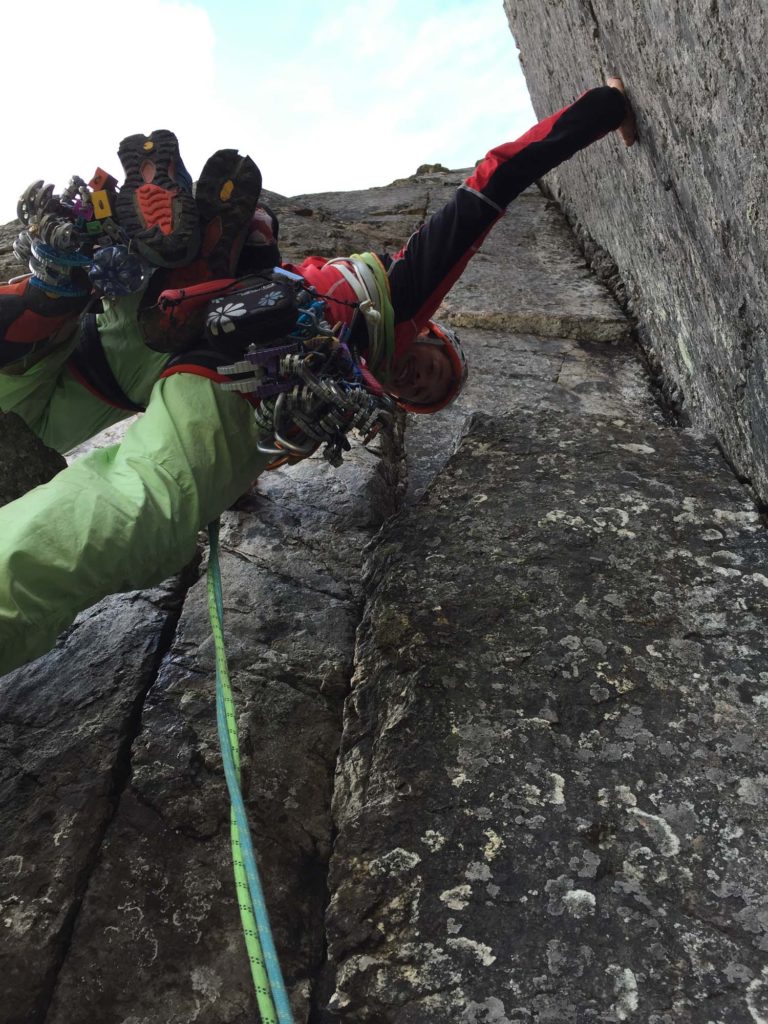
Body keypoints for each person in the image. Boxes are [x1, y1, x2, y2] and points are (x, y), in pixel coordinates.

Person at [0, 79, 636, 676]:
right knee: (150, 510)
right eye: (432, 367)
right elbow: (490, 187)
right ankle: (168, 267)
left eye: (418, 394)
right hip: (246, 365)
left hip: (169, 338)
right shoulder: (399, 293)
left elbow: (263, 458)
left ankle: (65, 288)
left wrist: (238, 489)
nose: (418, 380)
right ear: (431, 333)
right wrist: (602, 109)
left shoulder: (337, 356)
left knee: (27, 418)